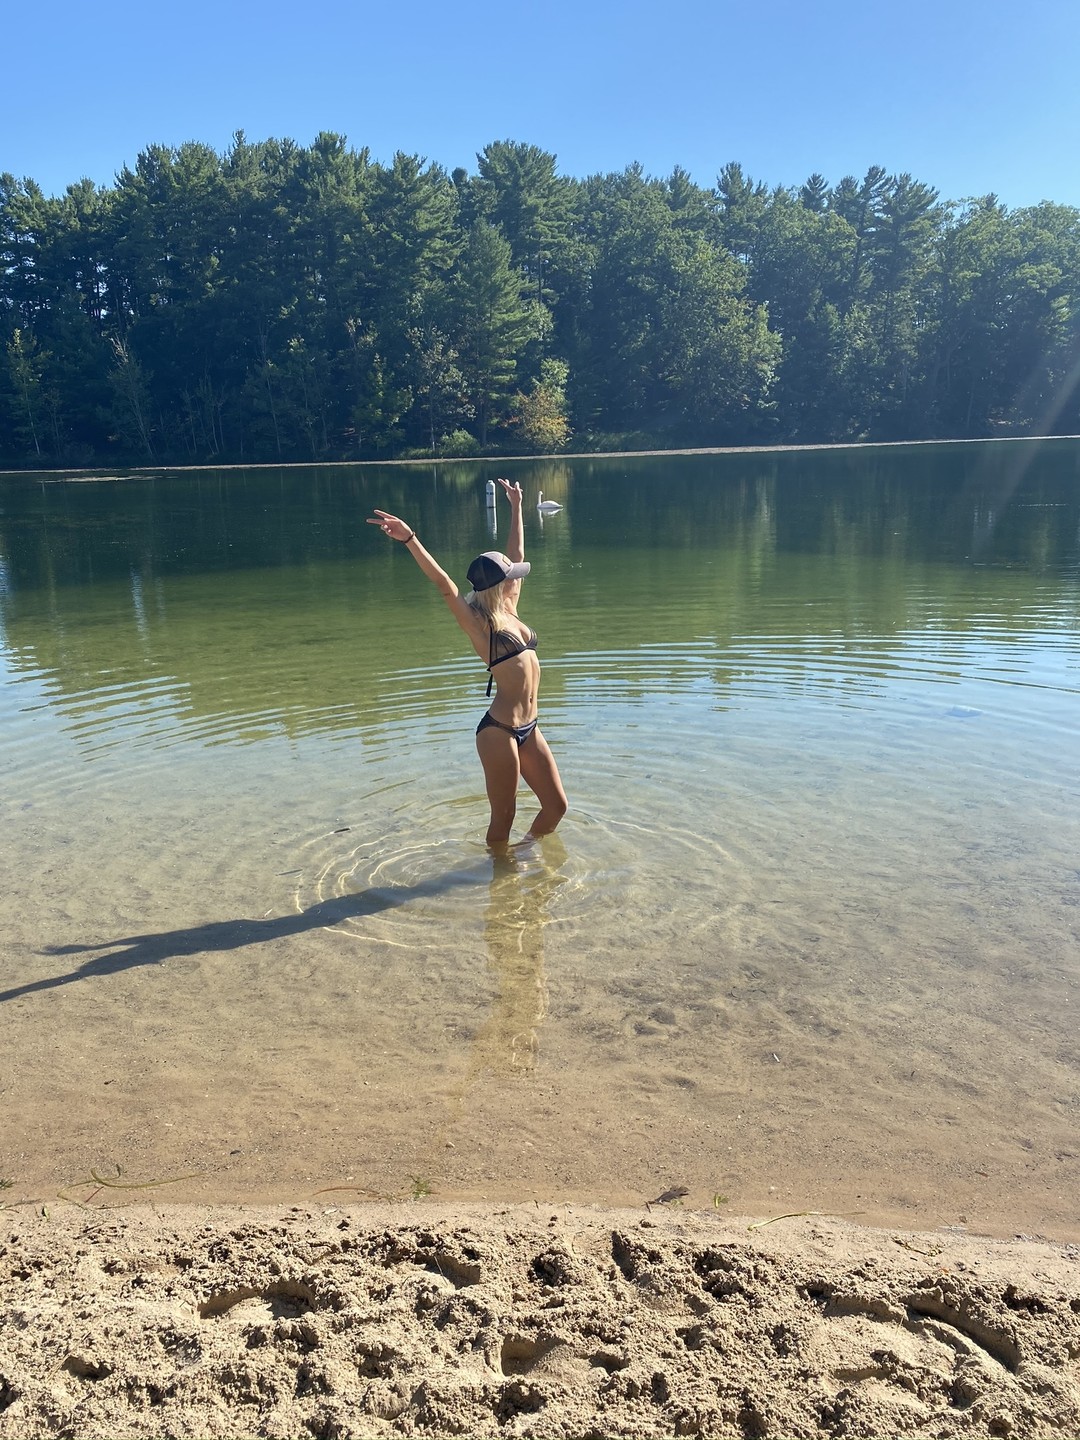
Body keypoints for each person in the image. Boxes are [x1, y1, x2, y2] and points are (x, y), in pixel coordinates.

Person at [367, 479, 567, 848]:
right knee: (503, 817)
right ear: (496, 584)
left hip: (530, 726)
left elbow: (516, 552)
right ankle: (499, 869)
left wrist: (516, 506)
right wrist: (410, 539)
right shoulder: (478, 623)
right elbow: (444, 583)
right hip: (500, 732)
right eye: (509, 576)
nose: (516, 578)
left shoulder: (509, 605)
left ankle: (521, 860)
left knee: (556, 806)